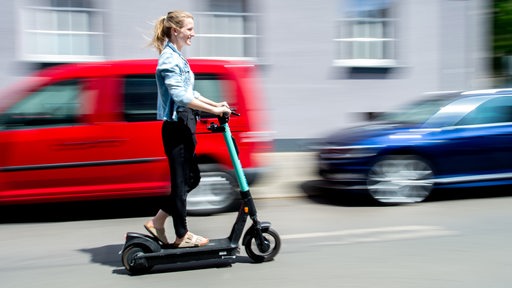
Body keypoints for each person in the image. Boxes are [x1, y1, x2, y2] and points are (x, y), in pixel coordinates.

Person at [144, 10, 231, 248]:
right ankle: (182, 235)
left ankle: (158, 222)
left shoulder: (178, 57)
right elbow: (181, 96)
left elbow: (190, 92)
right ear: (176, 31)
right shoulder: (169, 60)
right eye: (190, 29)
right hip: (177, 126)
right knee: (181, 183)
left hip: (185, 123)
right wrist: (214, 112)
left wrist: (216, 104)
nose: (194, 33)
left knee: (192, 178)